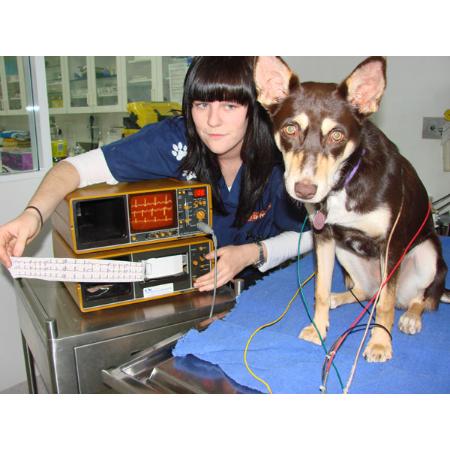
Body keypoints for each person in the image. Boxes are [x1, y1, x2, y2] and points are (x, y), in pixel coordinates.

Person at [0, 56, 312, 291]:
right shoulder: (176, 141)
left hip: (269, 288)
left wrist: (252, 253)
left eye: (230, 106)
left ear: (255, 106)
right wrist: (32, 215)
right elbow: (72, 169)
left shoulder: (284, 154)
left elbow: (314, 234)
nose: (212, 121)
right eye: (201, 104)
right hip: (196, 290)